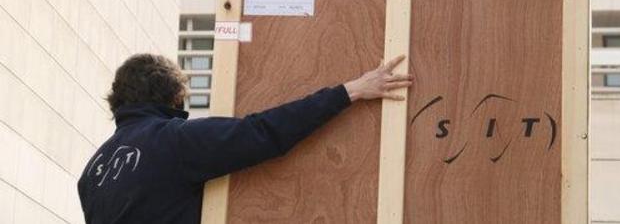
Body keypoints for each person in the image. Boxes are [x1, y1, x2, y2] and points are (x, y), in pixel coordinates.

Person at [77, 53, 413, 224]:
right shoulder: (173, 141)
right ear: (174, 96)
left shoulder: (92, 172)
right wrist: (350, 91)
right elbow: (264, 132)